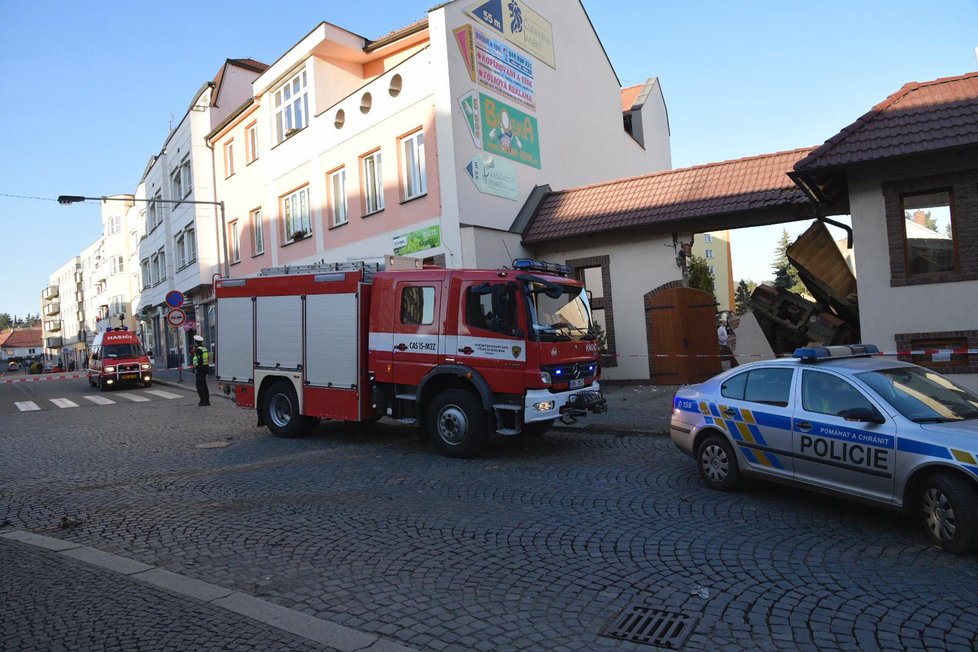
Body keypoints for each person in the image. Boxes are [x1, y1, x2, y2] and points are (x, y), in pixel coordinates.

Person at [192, 335, 210, 406]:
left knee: (200, 385)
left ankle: (203, 401)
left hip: (200, 369)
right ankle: (206, 400)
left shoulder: (199, 350)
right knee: (204, 385)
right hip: (205, 368)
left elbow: (200, 360)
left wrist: (197, 369)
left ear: (196, 342)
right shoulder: (204, 348)